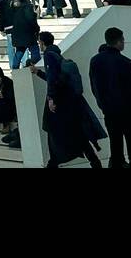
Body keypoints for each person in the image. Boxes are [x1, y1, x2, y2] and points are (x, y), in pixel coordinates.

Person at [34, 31, 103, 168]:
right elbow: (55, 78)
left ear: (42, 42)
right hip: (68, 101)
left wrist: (51, 99)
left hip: (59, 102)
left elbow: (53, 80)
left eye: (39, 42)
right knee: (76, 132)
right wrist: (38, 73)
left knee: (54, 133)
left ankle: (53, 163)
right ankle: (94, 161)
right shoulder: (58, 54)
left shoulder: (49, 55)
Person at [88, 27, 131, 168]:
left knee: (116, 143)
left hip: (110, 111)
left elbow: (95, 87)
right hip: (129, 111)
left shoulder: (95, 61)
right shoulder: (126, 62)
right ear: (119, 42)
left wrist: (103, 105)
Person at [5, 0, 40, 69]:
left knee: (19, 52)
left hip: (17, 34)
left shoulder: (12, 7)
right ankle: (34, 66)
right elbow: (31, 20)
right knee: (35, 52)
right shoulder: (27, 6)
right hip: (28, 34)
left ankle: (15, 69)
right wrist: (37, 28)